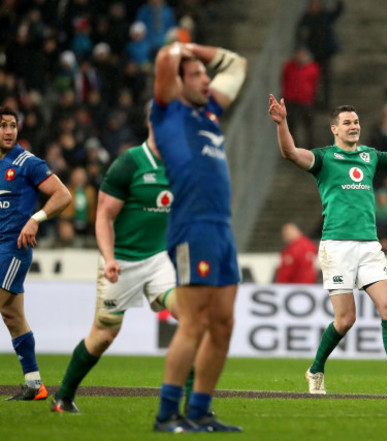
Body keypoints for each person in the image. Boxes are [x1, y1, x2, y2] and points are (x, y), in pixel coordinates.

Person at [268, 94, 387, 396]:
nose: (354, 126)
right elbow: (290, 152)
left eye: (356, 122)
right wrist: (282, 122)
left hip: (369, 245)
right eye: (347, 123)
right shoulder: (324, 158)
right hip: (337, 246)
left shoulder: (369, 156)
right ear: (334, 129)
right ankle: (315, 369)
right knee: (345, 320)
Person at [151, 41, 247, 433]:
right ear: (177, 83)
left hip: (221, 228)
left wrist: (197, 54)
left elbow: (238, 63)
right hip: (192, 227)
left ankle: (200, 410)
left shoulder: (208, 112)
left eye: (206, 75)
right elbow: (164, 59)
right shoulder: (167, 111)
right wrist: (181, 48)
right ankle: (166, 414)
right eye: (196, 75)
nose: (206, 80)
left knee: (223, 324)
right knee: (194, 322)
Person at [50, 122, 179, 413]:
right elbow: (104, 217)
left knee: (192, 317)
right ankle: (63, 397)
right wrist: (109, 259)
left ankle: (195, 406)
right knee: (103, 336)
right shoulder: (129, 163)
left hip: (159, 260)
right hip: (121, 261)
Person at [0, 106, 72, 401]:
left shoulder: (27, 162)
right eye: (2, 125)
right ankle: (34, 385)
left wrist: (35, 219)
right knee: (12, 316)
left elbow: (63, 195)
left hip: (13, 250)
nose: (8, 131)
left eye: (12, 125)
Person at [281, 47, 321, 148]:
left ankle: (310, 145)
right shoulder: (289, 67)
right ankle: (292, 146)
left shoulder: (312, 68)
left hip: (305, 101)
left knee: (308, 126)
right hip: (291, 100)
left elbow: (315, 84)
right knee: (291, 125)